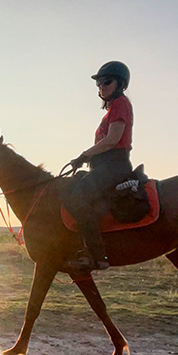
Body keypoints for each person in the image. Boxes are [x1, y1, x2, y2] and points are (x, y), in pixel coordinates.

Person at [63, 60, 134, 271]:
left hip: (114, 165)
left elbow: (112, 140)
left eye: (107, 81)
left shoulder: (121, 104)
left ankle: (95, 256)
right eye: (99, 83)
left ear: (120, 84)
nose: (101, 86)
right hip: (103, 165)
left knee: (76, 199)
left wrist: (83, 155)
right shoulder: (110, 110)